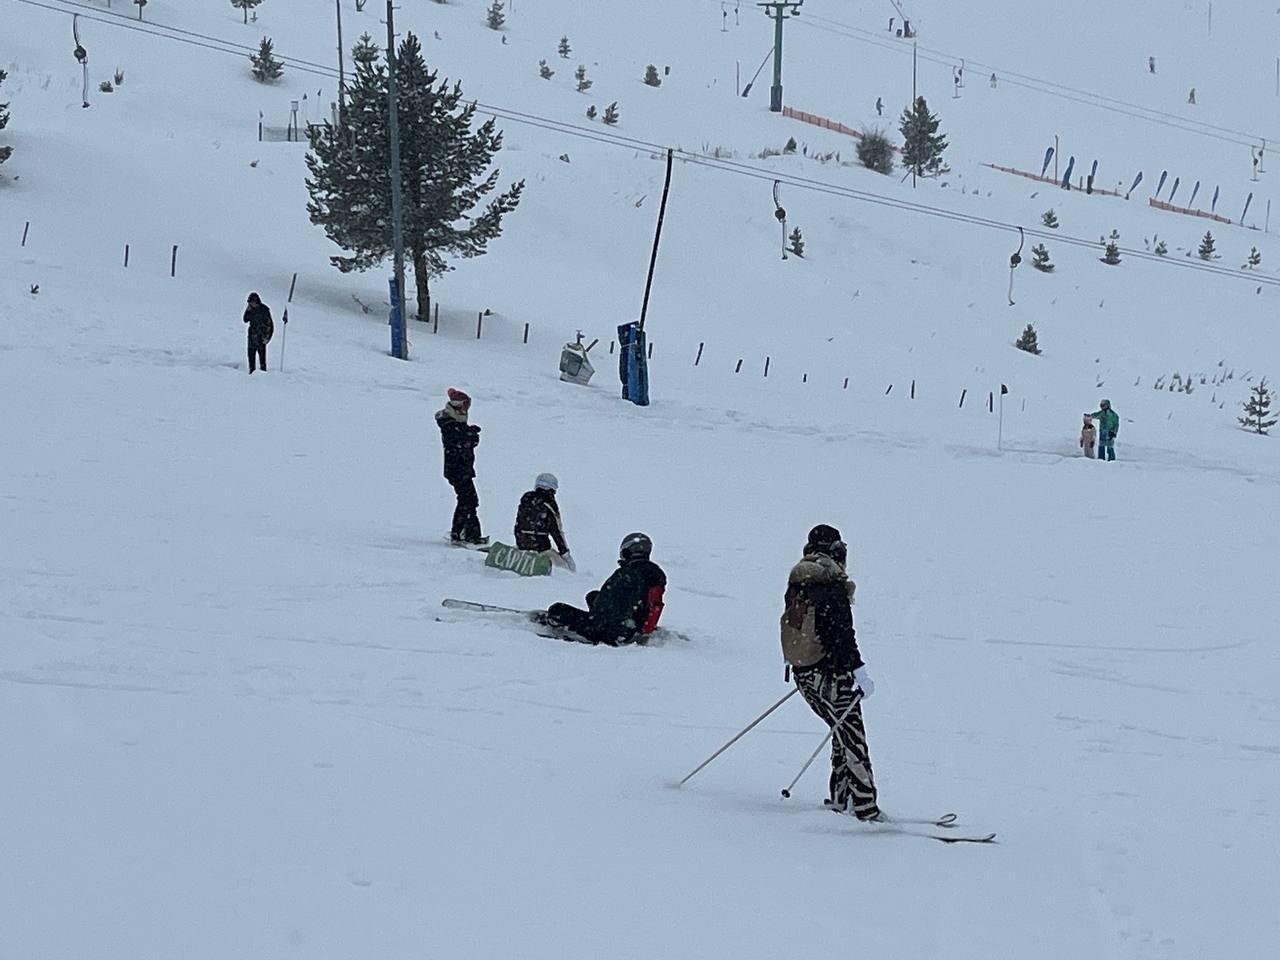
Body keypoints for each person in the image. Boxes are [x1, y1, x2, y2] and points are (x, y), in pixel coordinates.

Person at [780, 524, 879, 820]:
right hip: (830, 673)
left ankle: (843, 798)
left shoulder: (798, 581)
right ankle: (864, 808)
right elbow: (841, 636)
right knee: (852, 736)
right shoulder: (830, 585)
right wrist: (858, 671)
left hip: (802, 673)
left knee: (840, 730)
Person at [542, 533, 665, 645]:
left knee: (557, 609)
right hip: (632, 626)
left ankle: (553, 624)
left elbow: (607, 608)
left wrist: (593, 621)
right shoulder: (655, 574)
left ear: (628, 552)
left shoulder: (626, 574)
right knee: (592, 596)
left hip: (609, 631)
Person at [435, 388, 485, 543]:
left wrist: (470, 435)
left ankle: (462, 533)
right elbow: (459, 440)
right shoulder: (450, 423)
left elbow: (468, 441)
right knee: (468, 500)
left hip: (462, 468)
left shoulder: (457, 421)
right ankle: (468, 535)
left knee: (467, 500)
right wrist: (469, 435)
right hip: (457, 469)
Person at [514, 473, 575, 571]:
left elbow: (518, 524)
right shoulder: (549, 504)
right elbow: (556, 531)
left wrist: (520, 542)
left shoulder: (527, 498)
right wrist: (565, 554)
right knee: (564, 569)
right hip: (541, 548)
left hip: (522, 544)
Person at [242, 292, 273, 374]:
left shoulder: (264, 310)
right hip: (252, 337)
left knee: (262, 358)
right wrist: (247, 311)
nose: (251, 304)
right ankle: (251, 372)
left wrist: (267, 338)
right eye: (249, 303)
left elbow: (270, 325)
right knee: (251, 356)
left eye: (251, 302)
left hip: (261, 337)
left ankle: (263, 372)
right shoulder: (250, 310)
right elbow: (245, 320)